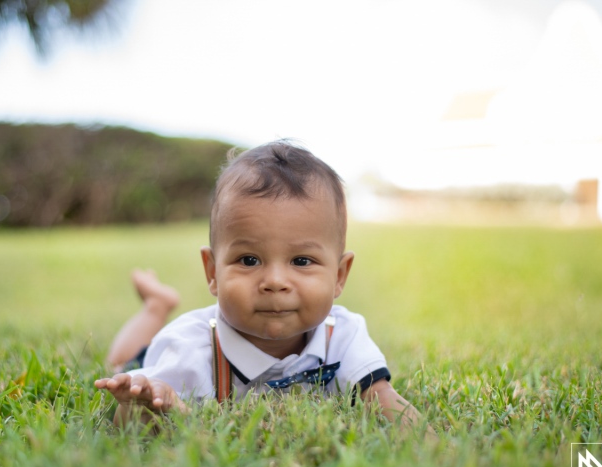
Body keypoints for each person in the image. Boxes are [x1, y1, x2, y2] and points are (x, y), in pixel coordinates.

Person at [95, 141, 426, 429]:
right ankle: (156, 307)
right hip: (153, 357)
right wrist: (144, 405)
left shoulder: (342, 333)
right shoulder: (189, 347)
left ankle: (159, 303)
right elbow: (133, 426)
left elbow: (383, 398)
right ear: (212, 271)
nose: (275, 282)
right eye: (249, 260)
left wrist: (435, 451)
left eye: (301, 261)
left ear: (339, 275)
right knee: (119, 361)